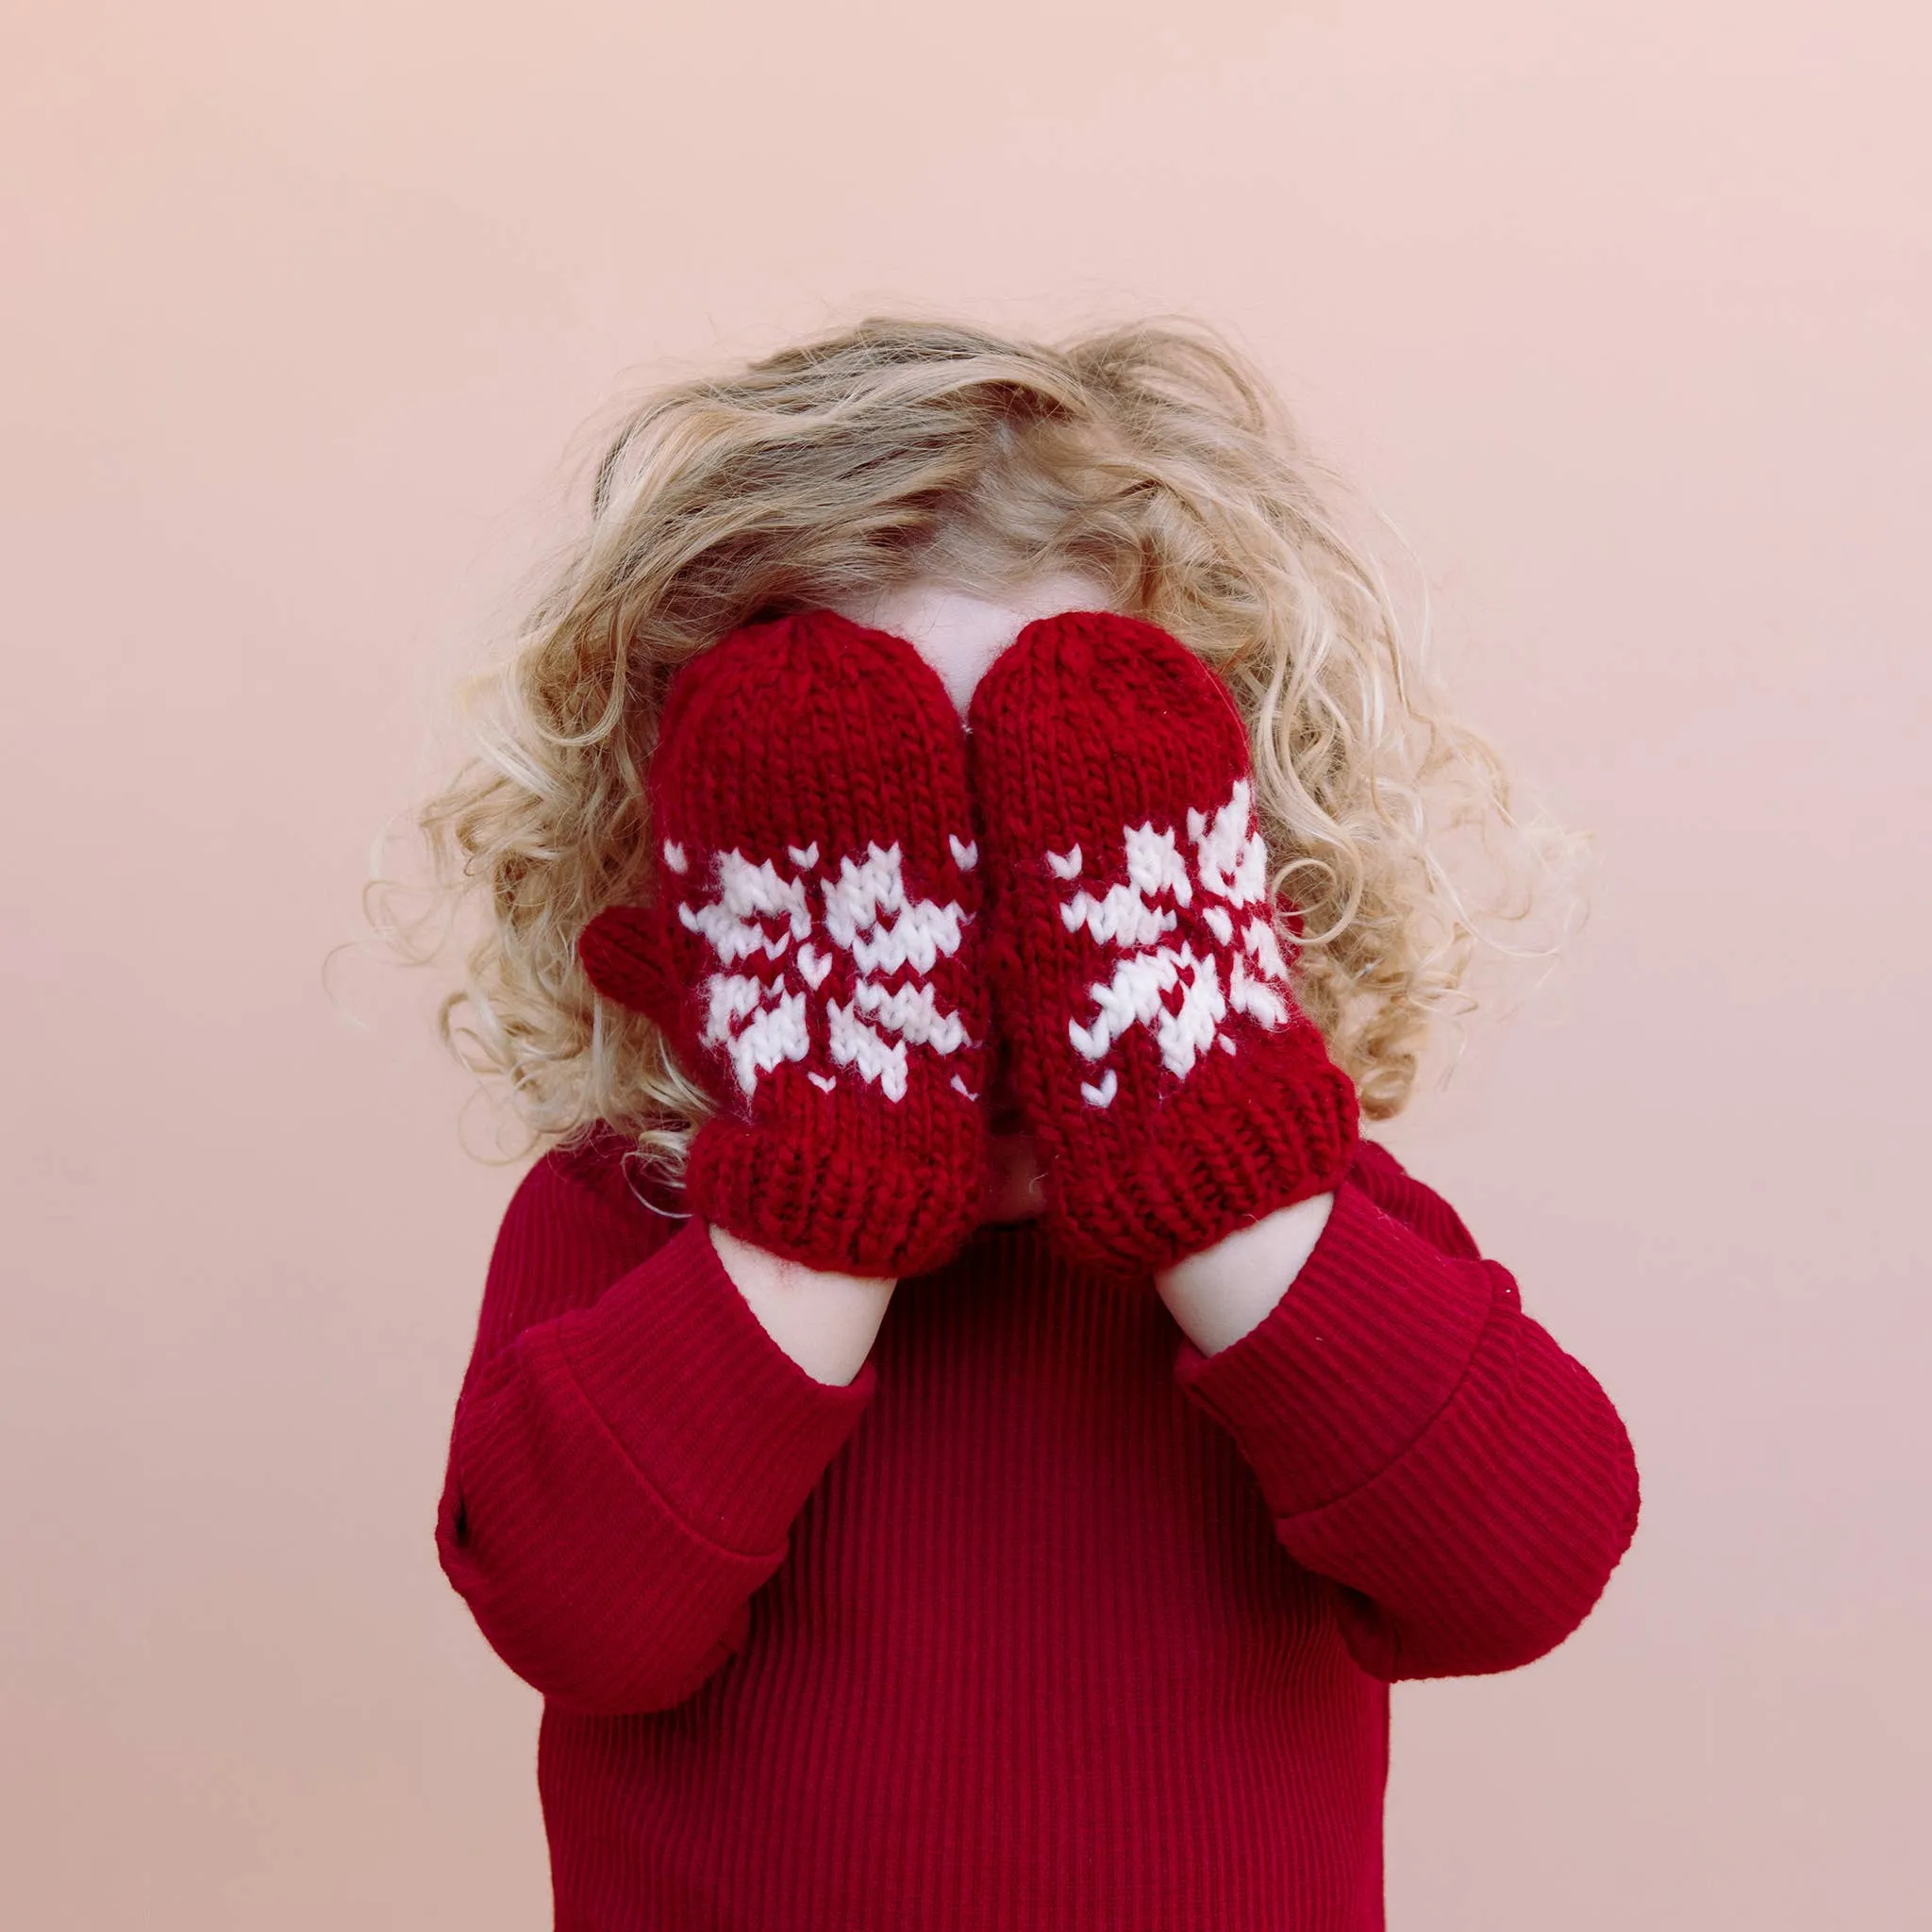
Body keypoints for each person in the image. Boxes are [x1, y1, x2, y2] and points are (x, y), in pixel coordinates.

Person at [410, 316, 1640, 1930]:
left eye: (1052, 822)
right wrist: (822, 1199)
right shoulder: (629, 1222)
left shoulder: (1308, 1234)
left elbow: (1515, 1569)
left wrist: (1214, 1173)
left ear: (1213, 863)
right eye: (877, 835)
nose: (973, 929)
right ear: (695, 867)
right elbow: (581, 1619)